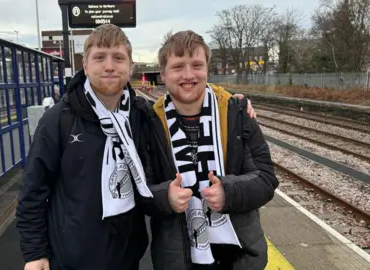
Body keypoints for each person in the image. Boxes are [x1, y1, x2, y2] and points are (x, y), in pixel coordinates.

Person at [16, 23, 257, 270]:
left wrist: (229, 100)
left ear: (130, 67)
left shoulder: (141, 114)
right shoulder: (59, 120)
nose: (109, 66)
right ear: (85, 66)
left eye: (118, 58)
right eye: (100, 57)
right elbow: (33, 191)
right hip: (71, 259)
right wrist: (35, 254)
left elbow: (185, 102)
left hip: (127, 257)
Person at [143, 30, 278, 270]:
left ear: (207, 68)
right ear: (162, 74)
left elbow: (266, 180)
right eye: (178, 67)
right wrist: (165, 198)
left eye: (197, 65)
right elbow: (142, 191)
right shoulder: (149, 123)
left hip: (239, 257)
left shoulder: (237, 115)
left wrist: (229, 192)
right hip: (177, 258)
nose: (188, 75)